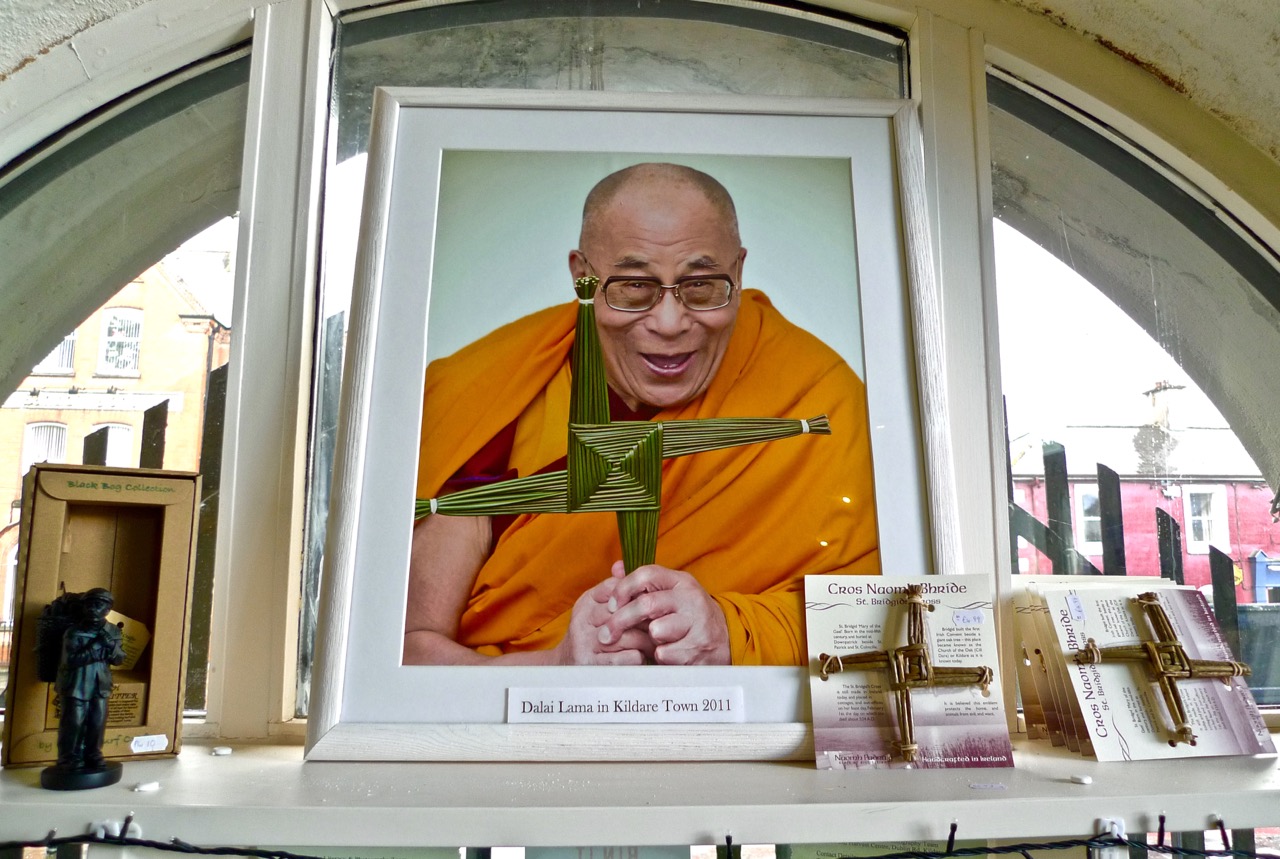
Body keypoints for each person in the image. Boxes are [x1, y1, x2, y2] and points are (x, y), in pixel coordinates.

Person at [403, 162, 879, 668]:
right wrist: (558, 666)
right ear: (583, 277)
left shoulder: (815, 398)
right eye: (633, 286)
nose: (670, 323)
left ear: (738, 272)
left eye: (701, 285)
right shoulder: (488, 395)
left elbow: (888, 620)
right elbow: (404, 650)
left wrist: (729, 630)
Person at [53, 588, 125, 771]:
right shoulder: (74, 632)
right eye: (89, 605)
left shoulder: (113, 631)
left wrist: (111, 646)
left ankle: (93, 753)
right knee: (74, 723)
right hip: (76, 684)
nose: (93, 609)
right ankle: (69, 757)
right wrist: (97, 645)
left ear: (107, 610)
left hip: (100, 684)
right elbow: (71, 660)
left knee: (97, 722)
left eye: (98, 605)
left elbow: (119, 659)